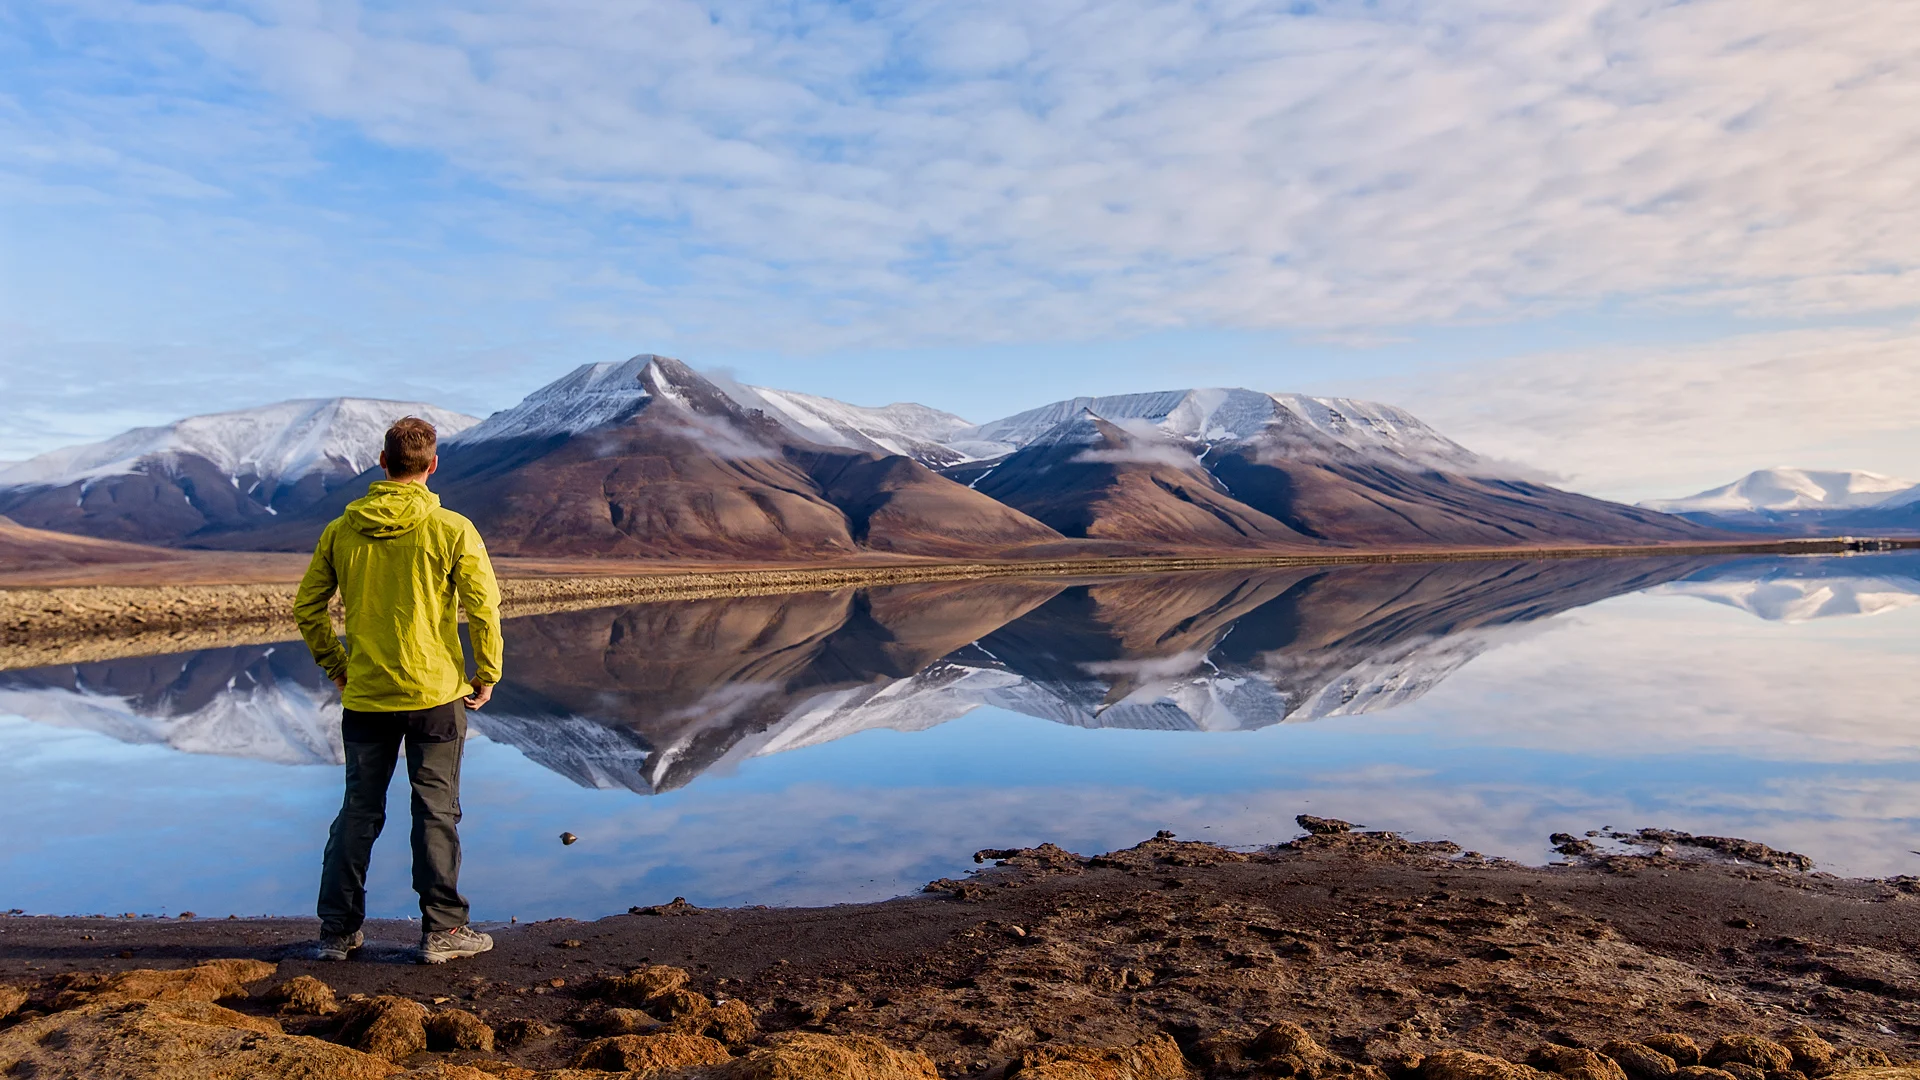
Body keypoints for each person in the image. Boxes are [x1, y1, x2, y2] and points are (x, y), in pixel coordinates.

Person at [293, 416, 504, 965]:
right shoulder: (453, 528)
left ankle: (337, 933)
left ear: (382, 463)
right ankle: (443, 933)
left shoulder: (342, 529)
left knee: (358, 812)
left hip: (366, 699)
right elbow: (483, 608)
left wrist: (337, 667)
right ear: (432, 466)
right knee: (436, 811)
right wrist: (488, 673)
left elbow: (307, 608)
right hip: (435, 697)